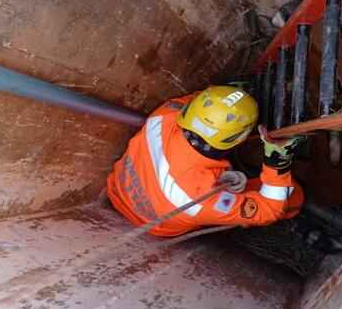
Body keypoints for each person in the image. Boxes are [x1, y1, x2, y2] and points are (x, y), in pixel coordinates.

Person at [105, 85, 304, 237]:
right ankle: (298, 218)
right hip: (153, 224)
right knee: (292, 193)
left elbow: (196, 101)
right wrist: (277, 166)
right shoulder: (204, 200)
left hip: (119, 190)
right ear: (240, 140)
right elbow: (268, 211)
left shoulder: (165, 114)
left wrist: (225, 97)